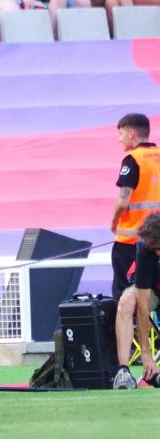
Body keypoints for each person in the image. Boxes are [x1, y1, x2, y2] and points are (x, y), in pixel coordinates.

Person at [110, 113, 159, 301]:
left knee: (123, 296)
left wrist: (114, 223)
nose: (119, 138)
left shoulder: (133, 160)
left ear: (131, 133)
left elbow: (123, 200)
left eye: (121, 133)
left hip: (130, 241)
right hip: (157, 240)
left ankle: (127, 330)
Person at [113, 212, 160, 389]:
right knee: (126, 301)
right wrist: (146, 353)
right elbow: (142, 304)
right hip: (155, 291)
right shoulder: (145, 248)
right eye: (155, 249)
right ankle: (123, 372)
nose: (158, 253)